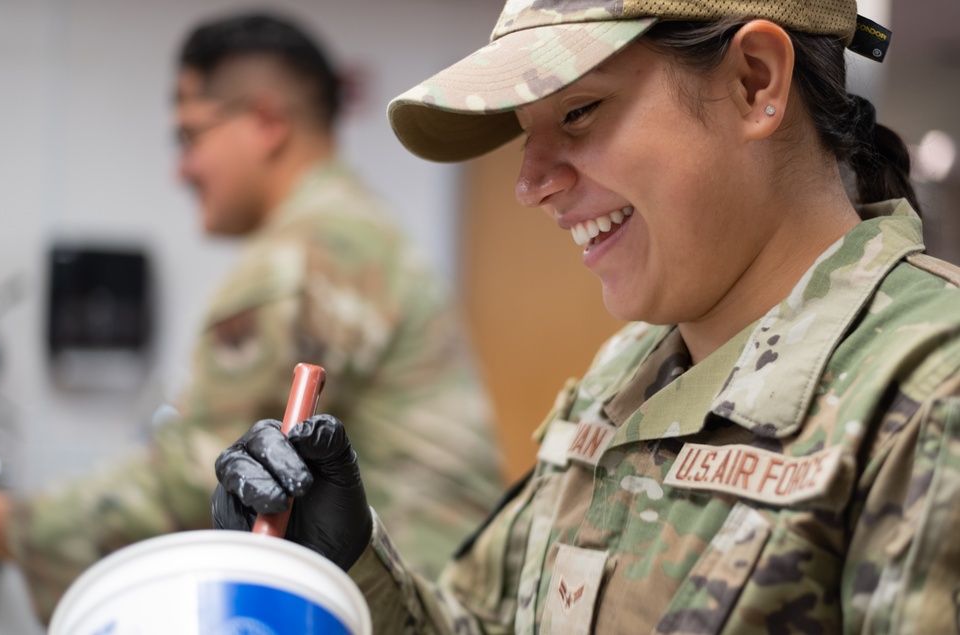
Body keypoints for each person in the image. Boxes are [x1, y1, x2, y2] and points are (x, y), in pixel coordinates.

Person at [212, 0, 960, 633]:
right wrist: (343, 563)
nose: (530, 184)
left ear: (753, 81)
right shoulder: (628, 371)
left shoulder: (930, 392)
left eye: (579, 111)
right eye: (525, 131)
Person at [0, 11, 504, 623]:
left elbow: (193, 481)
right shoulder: (355, 230)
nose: (181, 169)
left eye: (190, 136)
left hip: (404, 603)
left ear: (267, 122)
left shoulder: (302, 258)